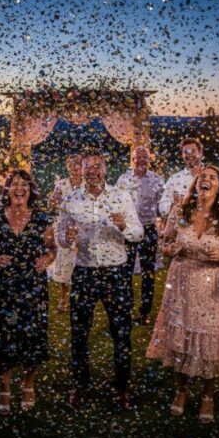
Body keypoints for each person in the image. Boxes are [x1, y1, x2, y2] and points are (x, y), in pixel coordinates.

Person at [146, 165, 219, 424]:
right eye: (202, 177)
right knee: (180, 336)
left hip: (212, 285)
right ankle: (181, 390)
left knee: (208, 339)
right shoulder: (181, 211)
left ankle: (207, 396)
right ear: (195, 184)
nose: (206, 180)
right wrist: (171, 249)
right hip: (181, 281)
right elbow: (165, 244)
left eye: (212, 178)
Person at [58, 151, 143, 410]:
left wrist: (122, 226)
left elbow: (138, 233)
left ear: (105, 170)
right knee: (79, 333)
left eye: (97, 166)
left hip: (115, 273)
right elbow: (61, 236)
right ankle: (79, 385)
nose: (92, 170)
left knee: (121, 333)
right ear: (80, 170)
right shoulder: (71, 199)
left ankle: (121, 387)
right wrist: (67, 236)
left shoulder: (121, 196)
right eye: (87, 166)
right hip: (84, 273)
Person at [0, 169, 55, 414]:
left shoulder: (42, 218)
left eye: (25, 184)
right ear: (7, 189)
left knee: (34, 333)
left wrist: (47, 258)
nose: (20, 188)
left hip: (34, 285)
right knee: (6, 333)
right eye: (15, 184)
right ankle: (4, 386)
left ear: (31, 190)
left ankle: (29, 384)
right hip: (5, 286)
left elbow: (52, 248)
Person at [117, 146, 164, 326]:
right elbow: (116, 201)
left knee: (147, 272)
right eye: (138, 157)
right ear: (132, 159)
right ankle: (126, 310)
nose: (141, 160)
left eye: (145, 157)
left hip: (148, 229)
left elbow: (164, 204)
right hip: (128, 230)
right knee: (125, 270)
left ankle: (145, 312)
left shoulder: (157, 180)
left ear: (149, 159)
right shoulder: (123, 179)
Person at [48, 154, 83, 313]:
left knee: (82, 262)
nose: (73, 167)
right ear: (66, 166)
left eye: (76, 163)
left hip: (83, 227)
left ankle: (81, 297)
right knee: (65, 262)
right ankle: (63, 298)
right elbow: (52, 203)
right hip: (64, 228)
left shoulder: (86, 184)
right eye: (70, 164)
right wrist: (54, 202)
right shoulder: (61, 184)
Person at [158, 137, 204, 218]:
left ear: (200, 153)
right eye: (186, 152)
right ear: (182, 155)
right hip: (181, 226)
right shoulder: (174, 179)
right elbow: (162, 206)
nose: (189, 154)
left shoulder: (212, 176)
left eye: (193, 151)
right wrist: (175, 206)